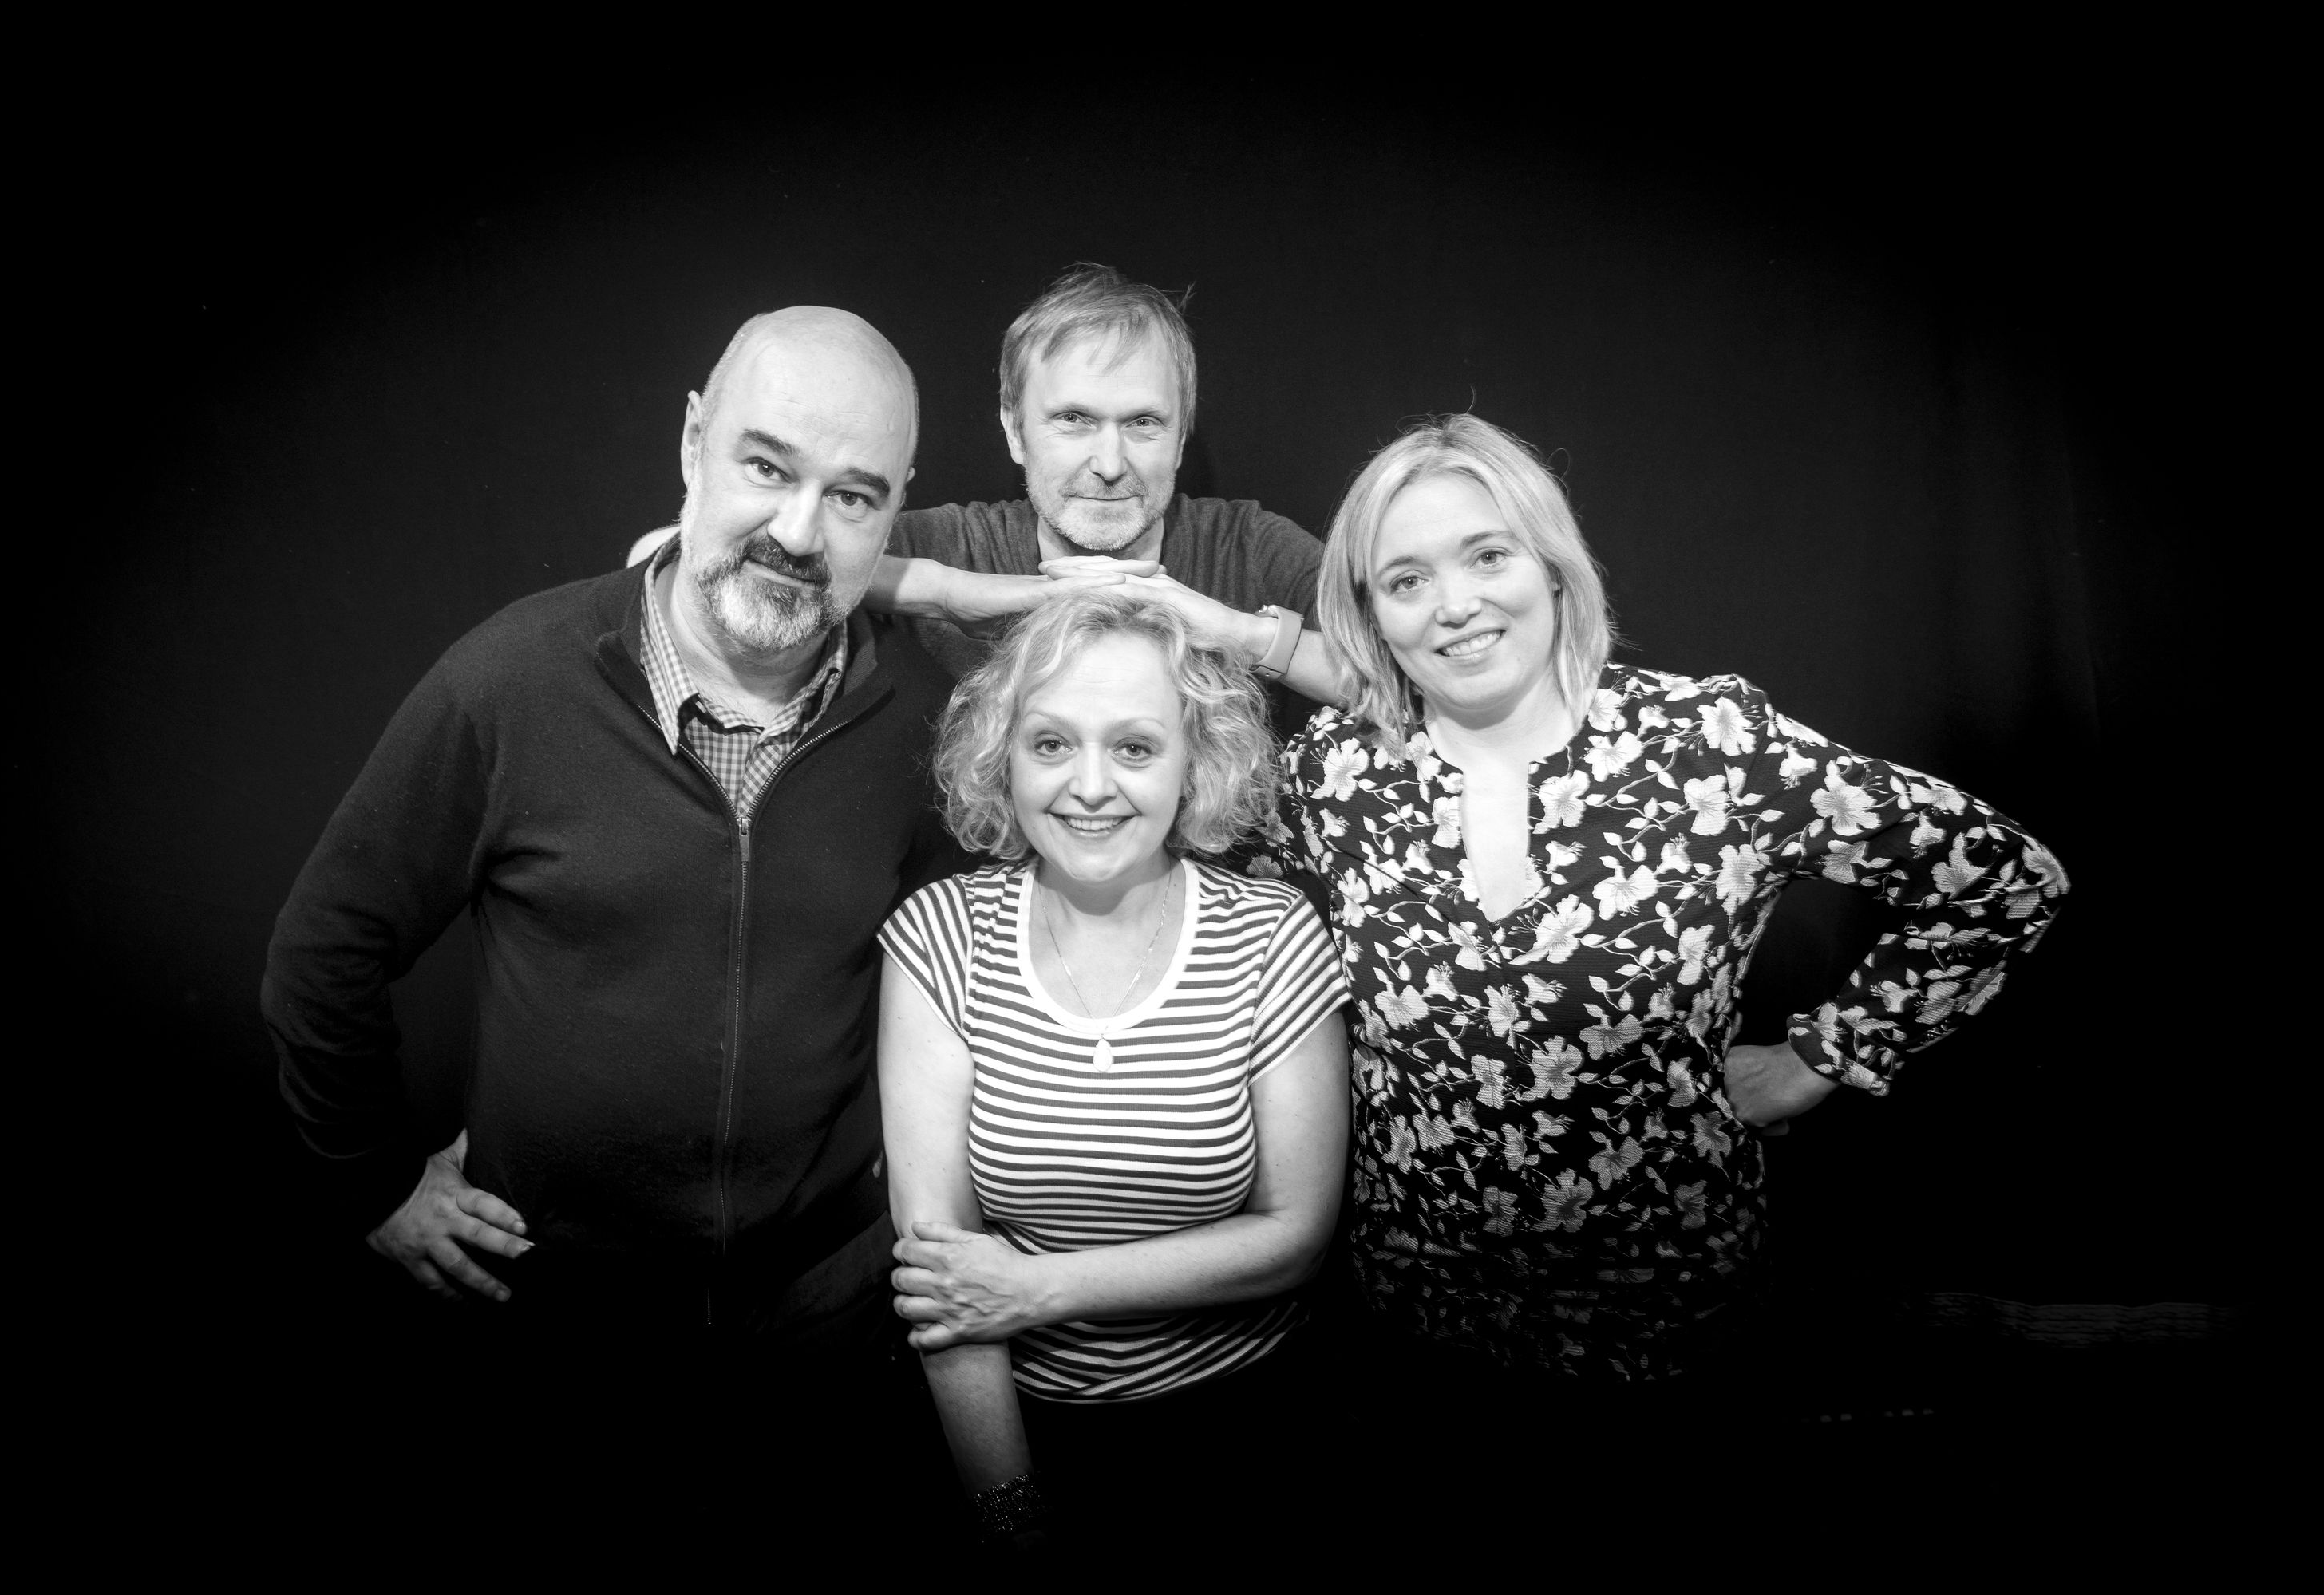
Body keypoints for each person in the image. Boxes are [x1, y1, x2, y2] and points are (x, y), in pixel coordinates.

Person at [1267, 414, 2068, 1409]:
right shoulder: (1331, 773)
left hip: (1670, 1320)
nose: (1455, 603)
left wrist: (1821, 1058)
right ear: (1370, 616)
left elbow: (2004, 877)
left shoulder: (1707, 746)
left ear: (1551, 565)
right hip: (1413, 1318)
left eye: (1487, 555)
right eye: (1405, 579)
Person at [263, 308, 961, 1400]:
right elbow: (324, 947)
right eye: (766, 467)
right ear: (692, 442)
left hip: (826, 1311)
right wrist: (375, 1181)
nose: (798, 531)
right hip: (553, 1321)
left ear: (895, 504)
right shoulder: (512, 681)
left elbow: (962, 989)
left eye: (852, 495)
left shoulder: (922, 723)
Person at [875, 589, 1350, 1550]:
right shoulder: (939, 936)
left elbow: (1294, 1237)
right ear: (1002, 757)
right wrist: (1007, 1511)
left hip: (1247, 1425)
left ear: (1194, 763)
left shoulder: (1271, 935)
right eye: (1051, 743)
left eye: (1134, 747)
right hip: (1014, 1426)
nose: (1088, 786)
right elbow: (943, 1272)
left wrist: (1036, 1288)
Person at [629, 264, 1342, 740]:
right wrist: (950, 594)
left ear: (1180, 438)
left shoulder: (1249, 548)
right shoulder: (949, 546)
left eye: (1143, 424)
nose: (1108, 463)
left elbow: (1397, 682)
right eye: (1073, 420)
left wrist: (1237, 632)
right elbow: (661, 556)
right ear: (1013, 431)